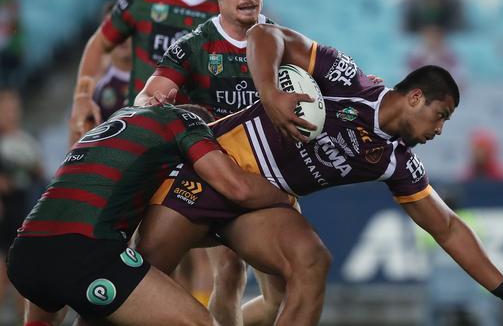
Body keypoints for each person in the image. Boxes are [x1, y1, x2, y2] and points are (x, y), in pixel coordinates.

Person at [135, 23, 503, 326]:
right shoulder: (347, 80)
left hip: (260, 201)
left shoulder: (397, 162)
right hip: (208, 167)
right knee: (141, 281)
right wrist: (269, 94)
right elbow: (264, 34)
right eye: (440, 116)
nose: (439, 131)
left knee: (312, 261)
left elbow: (447, 227)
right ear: (415, 97)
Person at [8, 101, 292, 326]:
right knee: (200, 322)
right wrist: (285, 196)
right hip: (83, 252)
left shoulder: (121, 120)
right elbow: (237, 187)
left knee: (66, 311)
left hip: (26, 252)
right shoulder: (187, 124)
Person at [134, 0, 307, 324]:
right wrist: (158, 103)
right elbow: (147, 98)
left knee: (286, 295)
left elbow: (325, 88)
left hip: (271, 180)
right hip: (219, 178)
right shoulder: (193, 46)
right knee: (229, 272)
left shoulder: (285, 42)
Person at [69, 0, 219, 145]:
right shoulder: (140, 1)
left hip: (201, 135)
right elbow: (99, 44)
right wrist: (82, 95)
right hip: (141, 133)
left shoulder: (227, 7)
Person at [0, 89, 43, 322]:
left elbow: (40, 172)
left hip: (24, 213)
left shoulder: (25, 139)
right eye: (5, 110)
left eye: (13, 109)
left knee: (21, 280)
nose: (10, 114)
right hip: (5, 215)